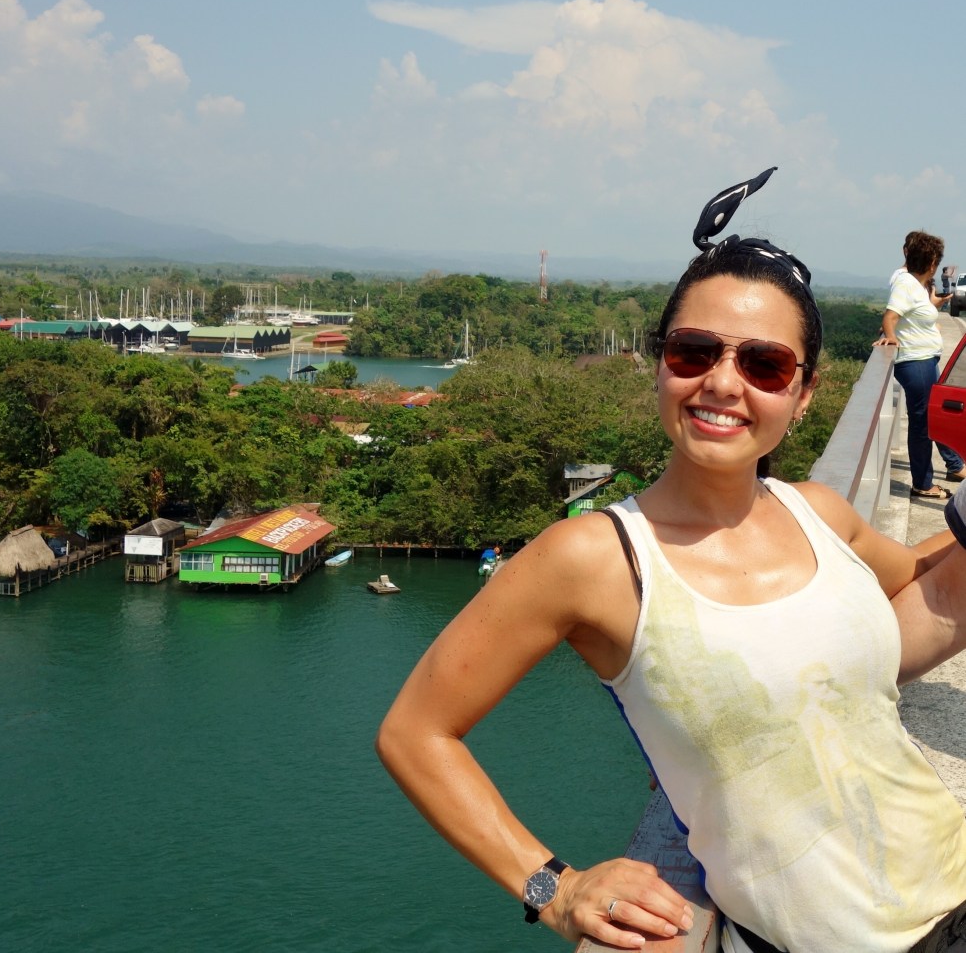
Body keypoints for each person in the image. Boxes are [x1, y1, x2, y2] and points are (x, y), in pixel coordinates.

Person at [378, 168, 966, 953]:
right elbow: (416, 731)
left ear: (805, 395)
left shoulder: (820, 513)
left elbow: (919, 588)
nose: (722, 382)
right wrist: (555, 886)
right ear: (659, 363)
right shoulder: (594, 557)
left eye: (764, 364)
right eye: (695, 351)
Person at [876, 231, 966, 497]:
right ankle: (923, 484)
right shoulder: (906, 283)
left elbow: (912, 313)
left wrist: (933, 305)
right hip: (916, 363)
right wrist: (890, 337)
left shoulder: (914, 284)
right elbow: (890, 317)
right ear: (932, 263)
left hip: (925, 360)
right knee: (922, 424)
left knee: (930, 418)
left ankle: (948, 467)